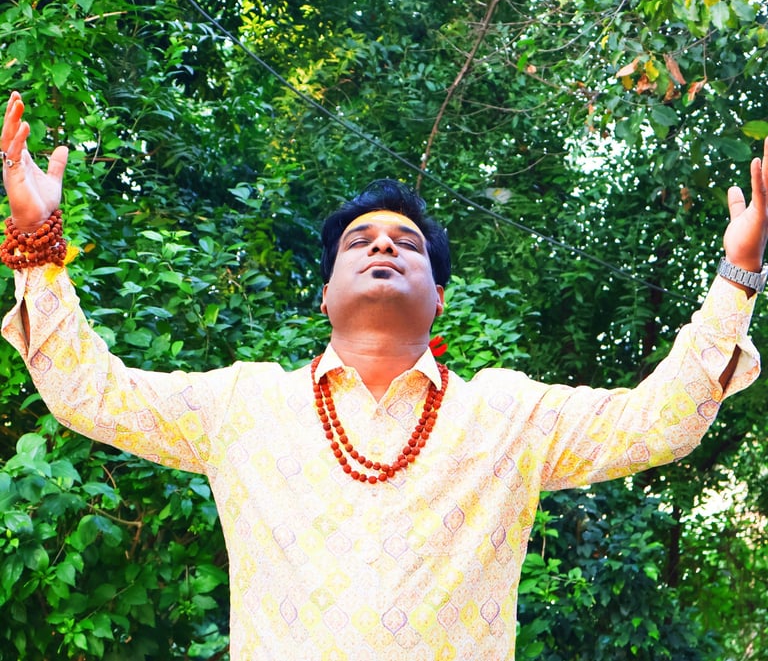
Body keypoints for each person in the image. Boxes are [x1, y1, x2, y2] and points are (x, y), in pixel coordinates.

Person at [1, 88, 766, 660]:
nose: (383, 245)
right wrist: (36, 238)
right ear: (325, 293)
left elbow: (659, 421)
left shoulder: (509, 417)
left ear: (438, 297)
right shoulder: (242, 403)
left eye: (407, 242)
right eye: (359, 240)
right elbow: (88, 392)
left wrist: (738, 271)